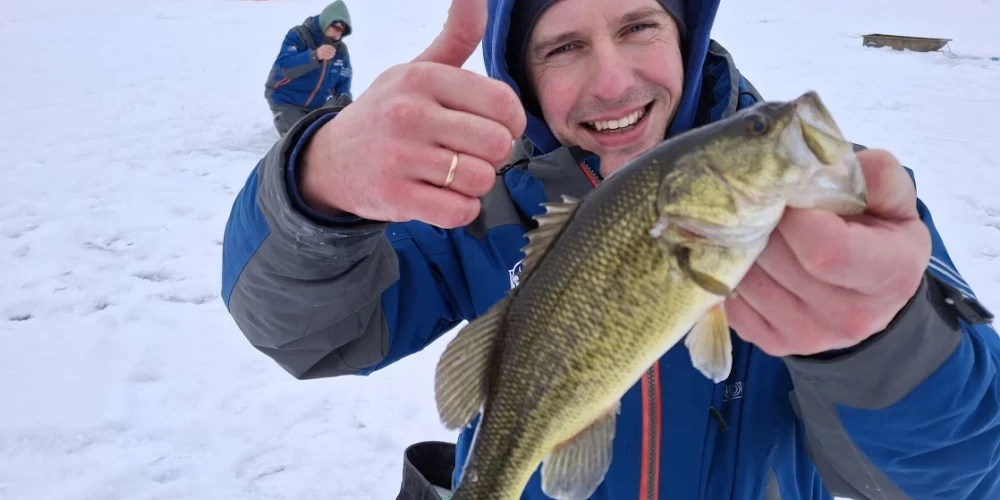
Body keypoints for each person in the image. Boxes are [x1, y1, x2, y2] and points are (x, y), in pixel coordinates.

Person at [221, 0, 1000, 498]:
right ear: (520, 71)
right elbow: (310, 332)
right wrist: (315, 191)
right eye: (561, 48)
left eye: (638, 25)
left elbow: (965, 477)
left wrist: (883, 344)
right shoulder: (477, 195)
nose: (613, 82)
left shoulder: (838, 215)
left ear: (687, 34)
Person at [263, 0, 354, 137]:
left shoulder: (340, 50)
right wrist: (314, 56)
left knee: (335, 136)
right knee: (301, 140)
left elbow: (342, 85)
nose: (338, 35)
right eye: (335, 27)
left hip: (317, 106)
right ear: (326, 22)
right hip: (287, 100)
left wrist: (347, 111)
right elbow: (285, 67)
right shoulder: (299, 35)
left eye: (342, 31)